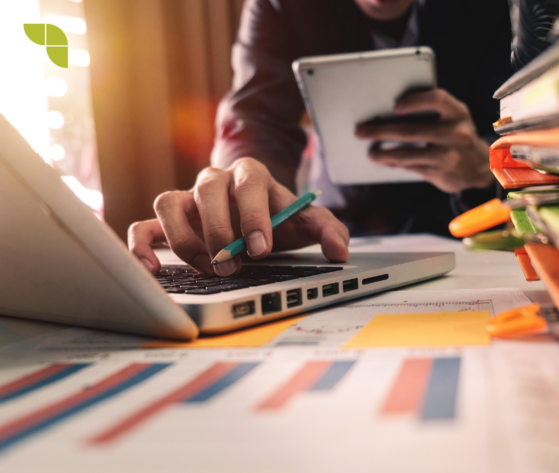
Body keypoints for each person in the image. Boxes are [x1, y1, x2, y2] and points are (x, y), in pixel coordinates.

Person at [129, 0, 513, 277]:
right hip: (343, 230)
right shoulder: (281, 5)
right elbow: (256, 117)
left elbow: (523, 122)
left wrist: (486, 169)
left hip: (477, 222)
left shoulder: (502, 10)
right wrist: (245, 188)